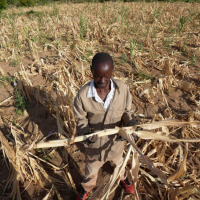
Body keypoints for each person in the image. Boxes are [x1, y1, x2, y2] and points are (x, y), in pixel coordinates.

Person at [73, 52, 137, 200]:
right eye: (97, 76)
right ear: (91, 70)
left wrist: (131, 124)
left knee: (119, 164)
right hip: (94, 148)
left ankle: (123, 178)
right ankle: (86, 188)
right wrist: (85, 134)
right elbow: (81, 119)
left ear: (112, 70)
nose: (102, 80)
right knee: (91, 170)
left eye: (106, 76)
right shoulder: (82, 96)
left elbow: (127, 112)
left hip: (116, 144)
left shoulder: (122, 89)